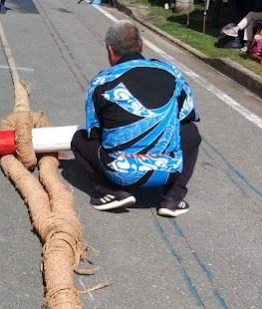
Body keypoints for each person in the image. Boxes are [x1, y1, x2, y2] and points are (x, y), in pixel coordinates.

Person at [71, 20, 201, 217]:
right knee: (191, 131)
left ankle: (112, 192)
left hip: (121, 172)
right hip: (169, 169)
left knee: (79, 139)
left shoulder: (101, 81)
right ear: (142, 46)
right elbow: (187, 116)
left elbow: (94, 132)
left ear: (110, 50)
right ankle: (172, 199)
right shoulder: (172, 73)